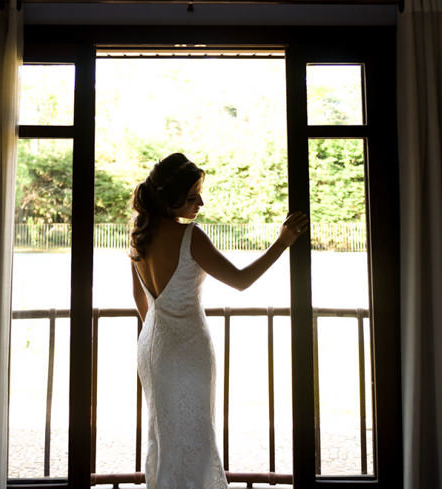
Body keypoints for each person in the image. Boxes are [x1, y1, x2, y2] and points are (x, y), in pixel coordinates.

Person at [129, 153, 308, 489]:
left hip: (152, 349)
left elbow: (141, 301)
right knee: (194, 433)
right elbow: (241, 280)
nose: (201, 202)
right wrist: (282, 242)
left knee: (163, 434)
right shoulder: (190, 236)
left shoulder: (140, 235)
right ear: (173, 197)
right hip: (187, 350)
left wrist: (160, 332)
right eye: (194, 195)